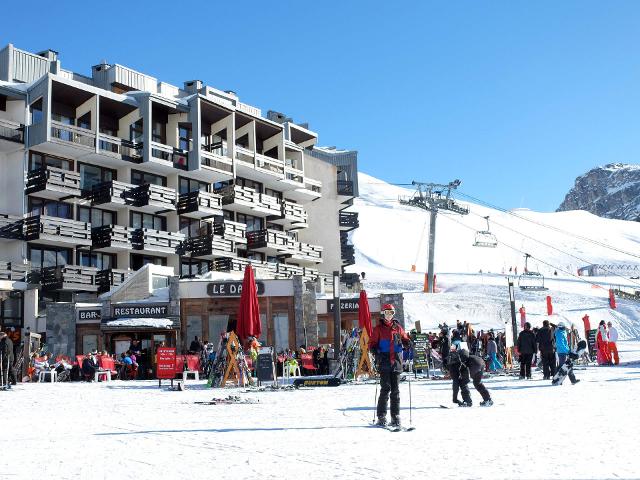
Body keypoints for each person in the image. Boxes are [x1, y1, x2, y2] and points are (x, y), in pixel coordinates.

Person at [369, 303, 410, 427]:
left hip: (396, 361)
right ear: (383, 313)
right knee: (385, 389)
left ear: (393, 314)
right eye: (387, 313)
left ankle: (395, 415)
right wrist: (376, 352)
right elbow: (372, 344)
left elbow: (404, 338)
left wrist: (408, 342)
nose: (389, 315)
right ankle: (381, 416)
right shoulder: (378, 329)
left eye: (391, 313)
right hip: (385, 360)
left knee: (396, 391)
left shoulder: (398, 328)